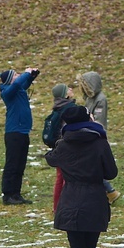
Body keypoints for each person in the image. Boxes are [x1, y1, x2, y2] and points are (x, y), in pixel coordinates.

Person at [45, 106, 118, 248]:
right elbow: (111, 172)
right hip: (95, 199)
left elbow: (51, 159)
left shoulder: (64, 145)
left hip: (71, 199)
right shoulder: (100, 143)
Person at [77, 71, 120, 204]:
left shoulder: (100, 99)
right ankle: (108, 191)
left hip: (95, 135)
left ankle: (110, 191)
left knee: (92, 165)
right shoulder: (89, 98)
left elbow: (98, 120)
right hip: (87, 133)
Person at [0, 68, 39, 205]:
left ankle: (16, 193)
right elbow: (17, 84)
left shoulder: (17, 90)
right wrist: (26, 73)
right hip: (14, 133)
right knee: (12, 164)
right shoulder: (7, 92)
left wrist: (31, 76)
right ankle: (8, 194)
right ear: (10, 79)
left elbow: (23, 84)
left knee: (20, 164)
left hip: (23, 131)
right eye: (16, 75)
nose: (18, 76)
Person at [47, 84, 76, 213]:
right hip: (68, 146)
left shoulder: (57, 107)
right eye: (68, 89)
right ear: (65, 94)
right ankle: (64, 207)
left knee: (60, 177)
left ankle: (57, 207)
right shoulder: (69, 108)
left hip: (58, 146)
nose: (71, 90)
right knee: (67, 177)